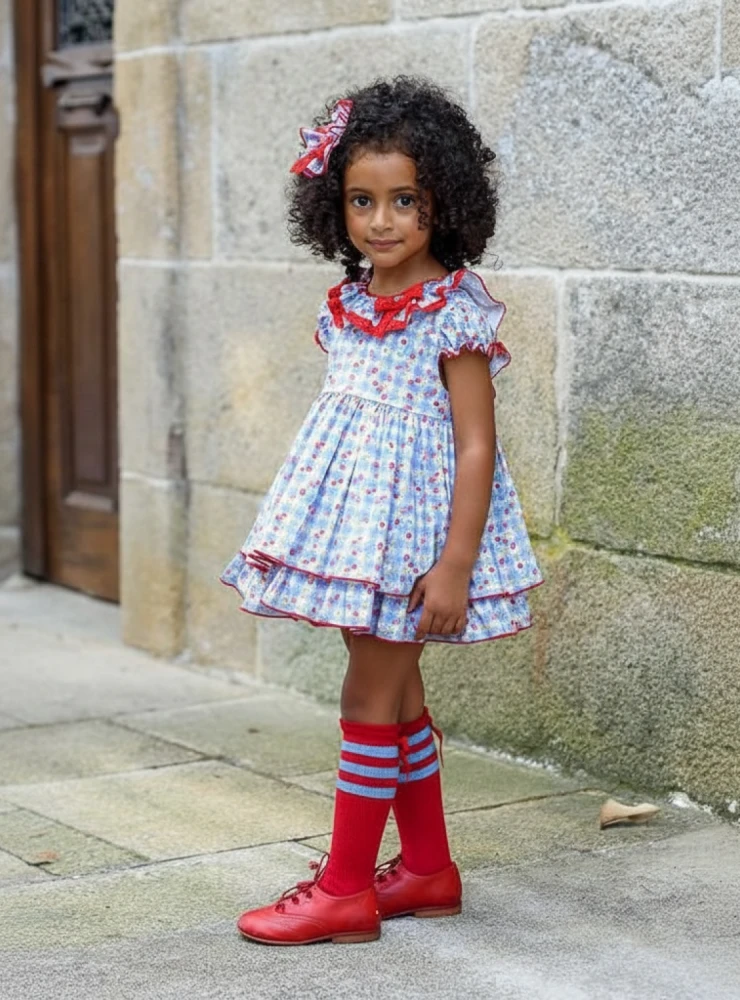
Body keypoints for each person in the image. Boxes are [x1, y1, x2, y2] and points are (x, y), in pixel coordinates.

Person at [221, 76, 541, 945]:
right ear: (334, 207)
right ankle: (429, 870)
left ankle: (345, 888)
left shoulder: (454, 313)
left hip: (412, 547)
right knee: (396, 703)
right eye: (362, 200)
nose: (382, 221)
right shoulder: (353, 304)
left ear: (446, 202)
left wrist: (456, 565)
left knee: (368, 697)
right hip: (353, 536)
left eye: (406, 200)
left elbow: (477, 445)